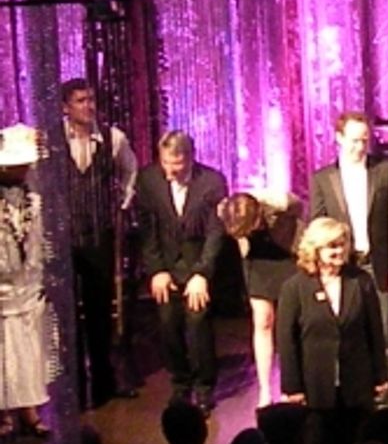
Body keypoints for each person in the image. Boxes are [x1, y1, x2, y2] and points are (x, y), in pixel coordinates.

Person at [310, 111, 388, 403]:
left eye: (364, 140)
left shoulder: (385, 170)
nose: (360, 146)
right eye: (354, 140)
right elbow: (317, 225)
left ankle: (384, 404)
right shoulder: (323, 179)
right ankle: (351, 400)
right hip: (343, 267)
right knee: (345, 335)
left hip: (378, 265)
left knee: (383, 338)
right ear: (339, 138)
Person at [277, 217, 387, 444]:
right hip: (316, 387)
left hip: (356, 386)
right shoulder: (294, 288)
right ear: (315, 250)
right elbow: (287, 341)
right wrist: (292, 387)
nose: (339, 251)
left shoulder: (361, 281)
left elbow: (375, 332)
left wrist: (380, 374)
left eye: (342, 244)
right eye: (332, 246)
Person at [134, 130, 229, 414]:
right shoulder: (148, 180)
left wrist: (202, 273)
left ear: (189, 158)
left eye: (176, 164)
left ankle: (203, 388)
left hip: (198, 262)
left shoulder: (212, 182)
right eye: (165, 162)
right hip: (166, 263)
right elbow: (147, 233)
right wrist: (156, 270)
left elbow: (215, 233)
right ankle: (180, 384)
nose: (170, 170)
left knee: (198, 322)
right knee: (168, 323)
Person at [61, 77, 139, 408]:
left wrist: (120, 206)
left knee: (98, 313)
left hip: (98, 235)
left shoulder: (112, 138)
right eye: (80, 100)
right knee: (66, 313)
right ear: (66, 107)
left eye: (91, 99)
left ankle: (105, 383)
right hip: (62, 238)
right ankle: (74, 387)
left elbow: (130, 172)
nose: (88, 106)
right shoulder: (52, 141)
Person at [221, 190, 302, 408]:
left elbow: (301, 210)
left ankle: (292, 386)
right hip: (258, 261)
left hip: (286, 256)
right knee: (263, 321)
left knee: (289, 325)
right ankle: (265, 389)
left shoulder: (278, 201)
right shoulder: (226, 209)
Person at [0, 124, 51, 439]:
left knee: (29, 350)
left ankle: (30, 411)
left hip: (27, 281)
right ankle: (3, 414)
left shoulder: (33, 194)